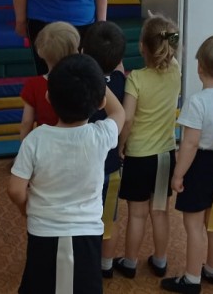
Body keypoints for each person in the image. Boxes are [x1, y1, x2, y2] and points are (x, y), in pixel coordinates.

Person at [8, 54, 125, 294]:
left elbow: (15, 189)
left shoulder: (35, 139)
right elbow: (119, 113)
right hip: (87, 235)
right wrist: (98, 83)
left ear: (48, 97)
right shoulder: (100, 135)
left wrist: (26, 208)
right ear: (101, 102)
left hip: (43, 232)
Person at [161, 36, 213, 293]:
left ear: (200, 67)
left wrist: (178, 175)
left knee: (194, 226)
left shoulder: (197, 101)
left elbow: (190, 144)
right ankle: (212, 270)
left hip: (199, 165)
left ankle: (192, 278)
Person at [113, 13, 182, 279]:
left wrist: (121, 146)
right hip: (165, 155)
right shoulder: (175, 71)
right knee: (160, 212)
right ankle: (160, 261)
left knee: (138, 215)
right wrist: (159, 26)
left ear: (141, 46)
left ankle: (130, 262)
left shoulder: (136, 79)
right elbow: (167, 45)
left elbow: (128, 118)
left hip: (139, 156)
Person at [79, 20, 127, 277]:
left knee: (82, 218)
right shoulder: (121, 81)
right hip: (110, 166)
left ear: (83, 53)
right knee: (110, 218)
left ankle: (83, 263)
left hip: (82, 167)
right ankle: (106, 265)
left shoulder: (80, 81)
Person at [18, 21, 81, 140]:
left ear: (40, 52)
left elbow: (27, 122)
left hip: (45, 142)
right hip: (75, 140)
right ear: (75, 52)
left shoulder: (33, 85)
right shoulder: (81, 81)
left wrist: (24, 147)